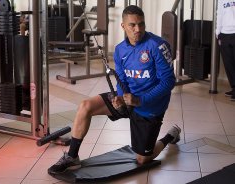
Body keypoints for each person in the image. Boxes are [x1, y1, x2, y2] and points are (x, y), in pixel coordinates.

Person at [48, 5, 180, 175]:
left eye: (141, 24)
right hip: (127, 99)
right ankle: (72, 156)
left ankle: (169, 136)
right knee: (85, 106)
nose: (137, 29)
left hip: (149, 106)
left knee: (142, 160)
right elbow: (122, 79)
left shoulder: (157, 46)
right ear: (123, 26)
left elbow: (169, 82)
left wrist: (140, 100)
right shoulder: (120, 50)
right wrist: (119, 97)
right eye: (132, 25)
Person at [216, 0, 235, 101]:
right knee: (228, 64)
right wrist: (218, 32)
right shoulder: (221, 0)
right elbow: (219, 15)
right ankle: (234, 87)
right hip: (224, 34)